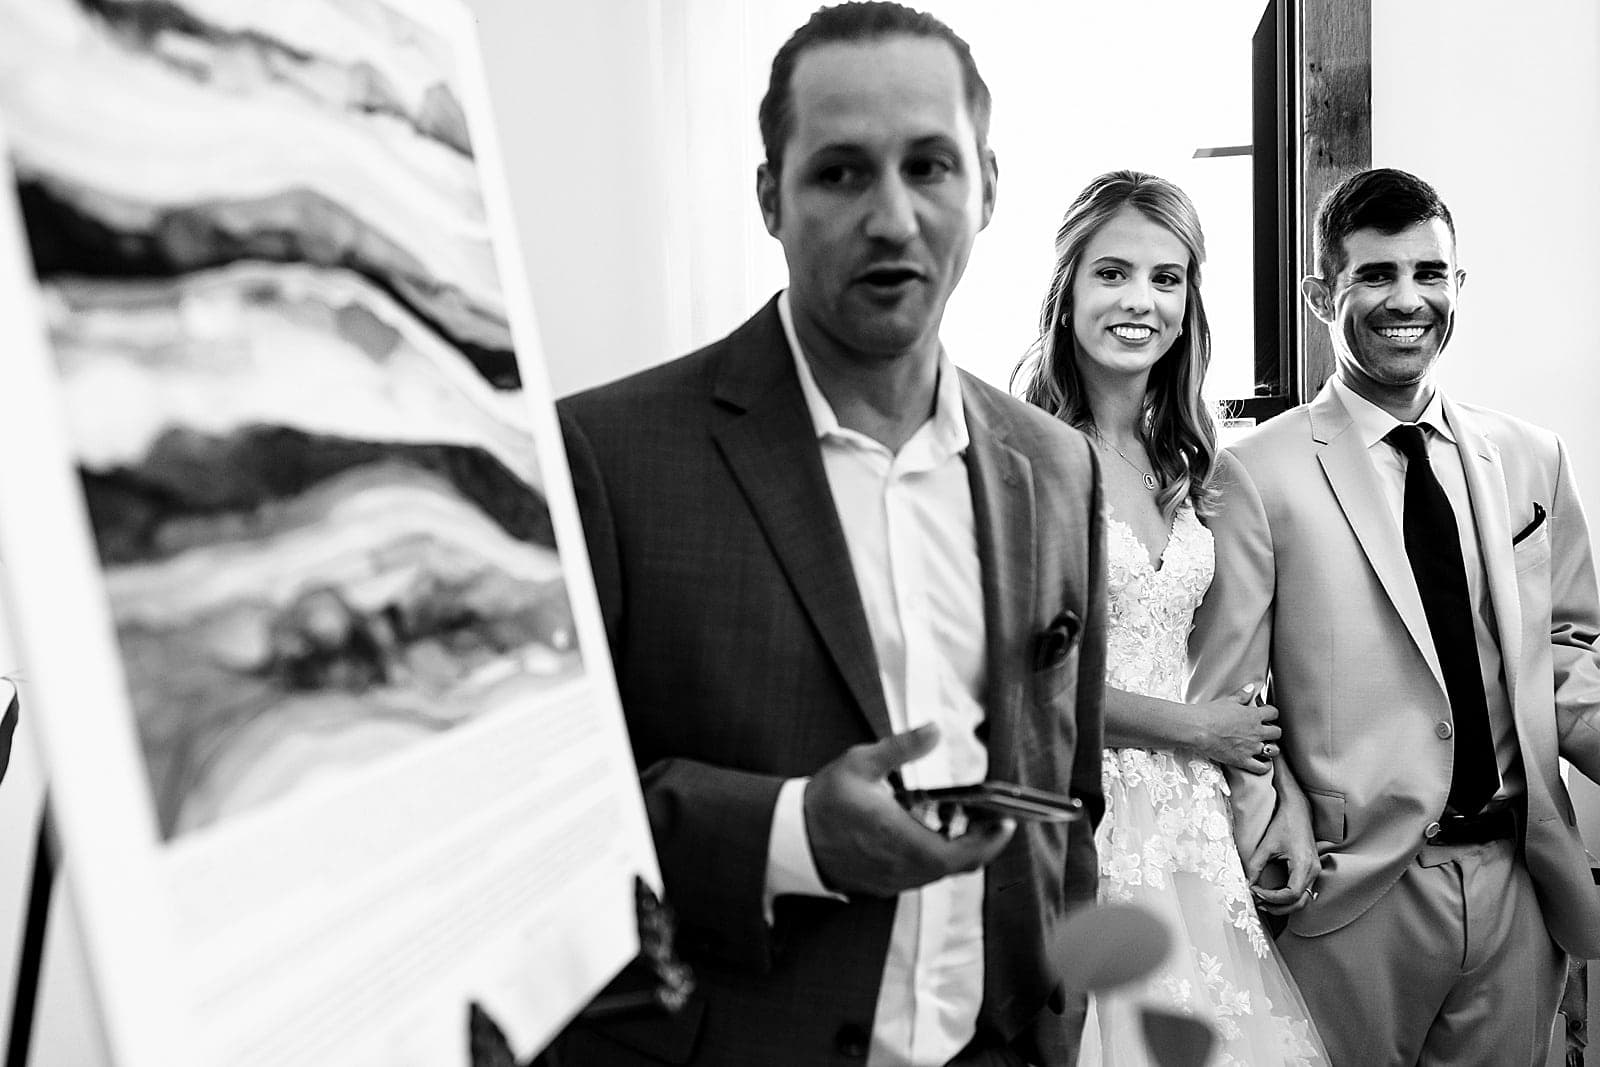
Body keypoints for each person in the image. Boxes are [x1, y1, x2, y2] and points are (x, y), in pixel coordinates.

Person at [550, 4, 1107, 1064]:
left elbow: (1065, 798)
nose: (892, 217)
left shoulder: (1054, 464)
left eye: (929, 166)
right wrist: (794, 831)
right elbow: (544, 839)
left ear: (987, 184)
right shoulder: (605, 457)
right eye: (842, 172)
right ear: (771, 196)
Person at [1189, 166, 1600, 1065]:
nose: (1406, 298)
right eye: (1375, 275)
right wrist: (1272, 828)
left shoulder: (1534, 459)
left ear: (1460, 288)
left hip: (1519, 887)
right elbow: (1226, 692)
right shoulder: (1255, 472)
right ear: (1319, 295)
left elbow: (1570, 653)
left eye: (1429, 273)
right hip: (1346, 897)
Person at [1015, 171, 1326, 1065]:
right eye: (1111, 273)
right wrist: (1198, 731)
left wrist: (1283, 794)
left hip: (1195, 832)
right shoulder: (1028, 455)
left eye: (1166, 277)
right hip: (1083, 816)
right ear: (1067, 288)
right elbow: (1020, 678)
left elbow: (1230, 667)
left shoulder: (1184, 463)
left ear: (1190, 303)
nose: (1138, 300)